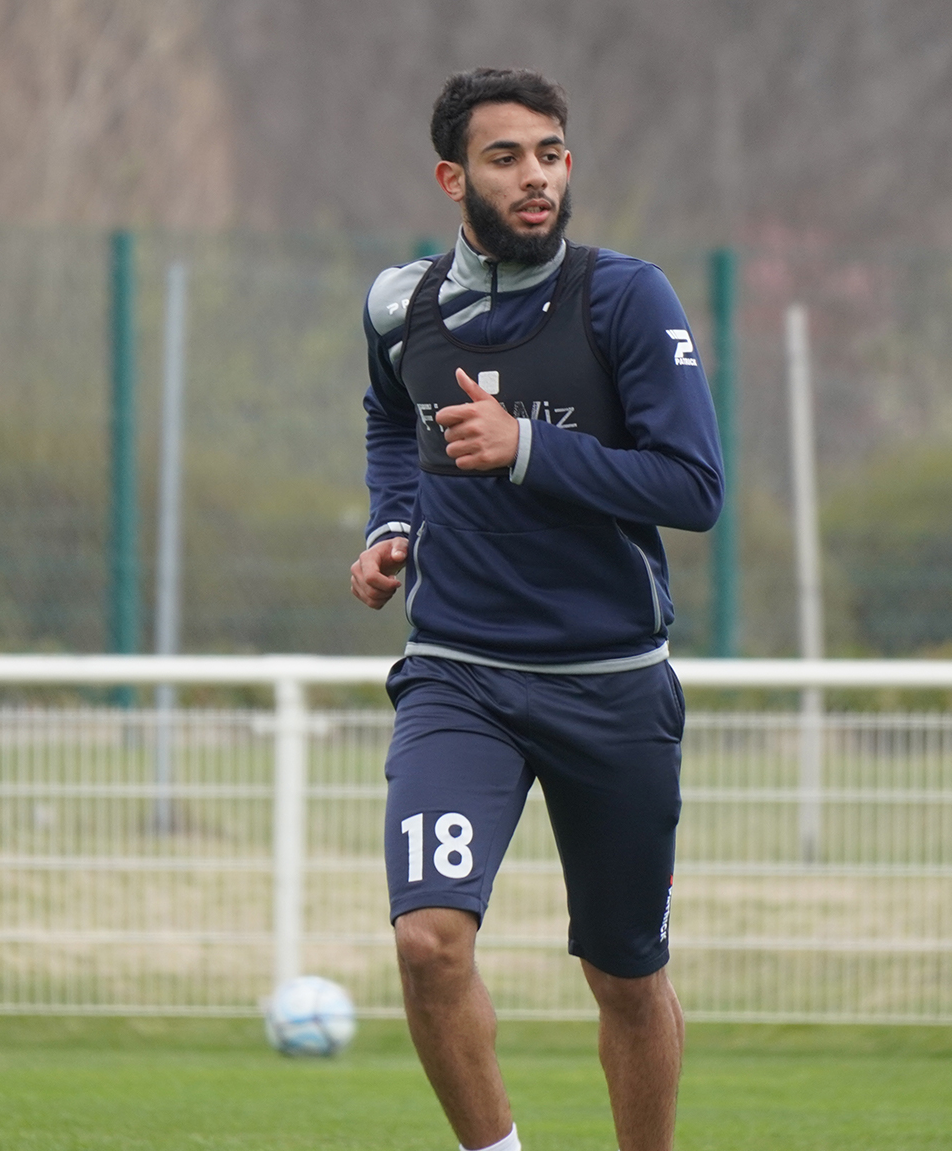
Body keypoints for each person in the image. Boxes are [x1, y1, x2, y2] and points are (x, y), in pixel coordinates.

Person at [349, 67, 724, 1151]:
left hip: (611, 687)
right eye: (507, 156)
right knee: (427, 943)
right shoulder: (398, 305)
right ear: (450, 176)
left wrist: (528, 450)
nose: (537, 178)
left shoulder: (625, 298)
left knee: (624, 975)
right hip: (459, 678)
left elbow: (693, 487)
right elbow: (395, 425)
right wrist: (391, 528)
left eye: (551, 153)